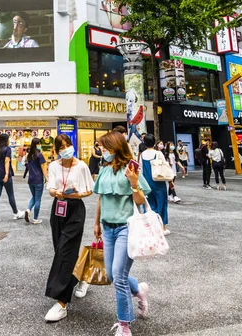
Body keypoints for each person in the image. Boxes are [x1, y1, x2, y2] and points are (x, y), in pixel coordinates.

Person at [93, 131, 151, 336]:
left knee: (118, 276)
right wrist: (97, 222)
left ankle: (124, 325)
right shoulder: (104, 169)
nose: (103, 152)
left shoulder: (131, 168)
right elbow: (101, 197)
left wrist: (134, 184)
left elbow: (139, 200)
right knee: (112, 274)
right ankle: (138, 289)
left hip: (126, 228)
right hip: (107, 228)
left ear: (115, 148)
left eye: (105, 148)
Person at [44, 134, 94, 322]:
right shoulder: (54, 166)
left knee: (65, 251)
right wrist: (56, 192)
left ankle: (61, 302)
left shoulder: (81, 165)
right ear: (57, 151)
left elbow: (90, 189)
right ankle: (80, 277)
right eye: (62, 147)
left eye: (68, 145)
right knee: (61, 250)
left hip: (75, 210)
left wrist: (76, 194)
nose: (66, 149)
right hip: (58, 208)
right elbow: (50, 188)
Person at [139, 134, 170, 235]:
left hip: (147, 183)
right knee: (162, 203)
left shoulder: (142, 154)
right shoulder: (158, 153)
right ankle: (163, 227)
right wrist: (171, 181)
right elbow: (165, 166)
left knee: (149, 205)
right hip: (159, 182)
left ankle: (150, 227)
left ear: (144, 143)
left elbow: (140, 170)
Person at [0, 133, 23, 223]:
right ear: (6, 140)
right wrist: (7, 174)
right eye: (8, 139)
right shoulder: (7, 149)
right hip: (4, 175)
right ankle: (16, 212)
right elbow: (7, 161)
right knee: (10, 194)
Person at [24, 137, 48, 225]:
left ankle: (28, 209)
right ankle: (35, 219)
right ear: (37, 144)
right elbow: (43, 168)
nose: (40, 145)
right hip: (38, 179)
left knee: (34, 196)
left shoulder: (29, 155)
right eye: (39, 143)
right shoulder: (39, 155)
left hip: (30, 179)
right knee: (38, 199)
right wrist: (47, 179)